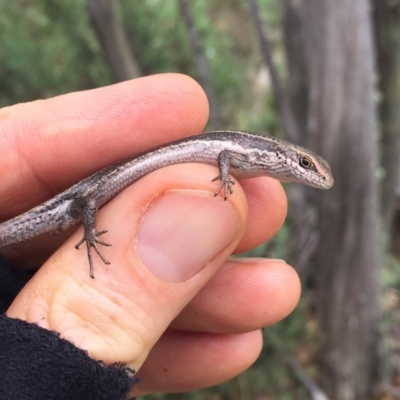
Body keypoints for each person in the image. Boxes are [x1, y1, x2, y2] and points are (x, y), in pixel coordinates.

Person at [0, 73, 301, 399]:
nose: (304, 171)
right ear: (285, 155)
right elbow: (224, 155)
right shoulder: (255, 151)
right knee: (87, 204)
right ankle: (89, 235)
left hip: (88, 195)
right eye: (304, 164)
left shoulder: (259, 156)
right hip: (80, 196)